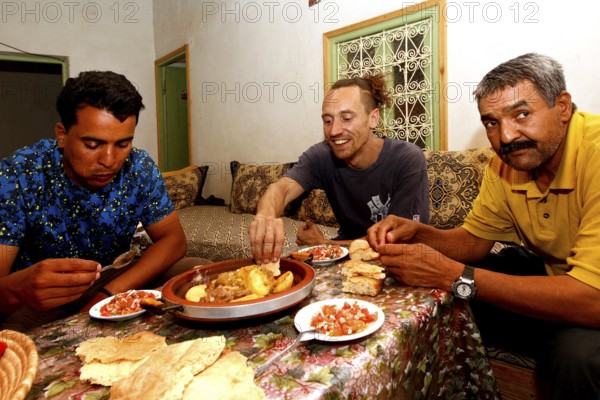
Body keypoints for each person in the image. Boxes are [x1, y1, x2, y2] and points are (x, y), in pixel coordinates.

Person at [367, 53, 600, 399]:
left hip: (590, 298)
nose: (506, 136)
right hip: (558, 279)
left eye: (522, 114)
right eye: (491, 122)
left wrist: (455, 276)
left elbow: (592, 299)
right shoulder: (504, 166)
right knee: (452, 299)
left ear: (562, 107)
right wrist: (422, 235)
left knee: (574, 356)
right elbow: (474, 243)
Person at [0, 71, 193, 331]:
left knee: (194, 271)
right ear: (62, 134)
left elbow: (173, 240)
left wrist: (109, 296)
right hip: (44, 297)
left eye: (123, 144)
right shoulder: (18, 173)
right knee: (12, 338)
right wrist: (17, 290)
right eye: (92, 145)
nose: (110, 160)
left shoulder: (139, 166)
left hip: (111, 278)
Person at [249, 73, 430, 264]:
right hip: (345, 256)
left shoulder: (407, 158)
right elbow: (281, 189)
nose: (334, 131)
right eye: (328, 121)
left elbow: (401, 240)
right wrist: (265, 217)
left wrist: (327, 244)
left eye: (346, 118)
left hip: (397, 258)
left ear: (373, 119)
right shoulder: (322, 155)